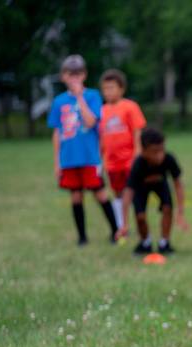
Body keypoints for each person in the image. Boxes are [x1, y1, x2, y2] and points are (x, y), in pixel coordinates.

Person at [47, 54, 118, 245]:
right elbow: (57, 133)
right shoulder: (59, 101)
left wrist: (79, 97)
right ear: (63, 76)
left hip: (89, 157)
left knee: (100, 194)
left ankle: (115, 231)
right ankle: (82, 237)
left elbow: (90, 121)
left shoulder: (92, 96)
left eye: (78, 74)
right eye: (70, 74)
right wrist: (57, 162)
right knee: (76, 197)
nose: (74, 78)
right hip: (69, 158)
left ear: (84, 75)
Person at [115, 128, 189, 254]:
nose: (160, 155)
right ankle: (145, 243)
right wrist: (124, 224)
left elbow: (178, 185)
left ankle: (164, 243)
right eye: (155, 152)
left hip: (161, 185)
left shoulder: (168, 159)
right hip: (141, 188)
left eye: (162, 150)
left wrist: (180, 211)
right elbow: (128, 193)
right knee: (140, 217)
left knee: (167, 208)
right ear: (143, 151)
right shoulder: (138, 164)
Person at [99, 68, 147, 227]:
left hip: (129, 160)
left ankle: (137, 222)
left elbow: (137, 132)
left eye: (111, 88)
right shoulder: (101, 111)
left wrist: (137, 155)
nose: (108, 92)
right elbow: (100, 137)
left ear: (121, 88)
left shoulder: (130, 107)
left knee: (132, 191)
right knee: (118, 192)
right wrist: (100, 160)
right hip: (112, 162)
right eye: (105, 88)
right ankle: (121, 224)